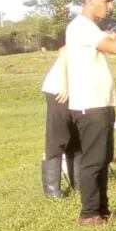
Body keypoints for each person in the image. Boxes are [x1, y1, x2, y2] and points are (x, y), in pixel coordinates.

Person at [66, 0, 116, 225]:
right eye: (106, 0)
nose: (110, 5)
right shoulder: (81, 27)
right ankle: (88, 214)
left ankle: (102, 211)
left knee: (103, 159)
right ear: (90, 0)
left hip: (101, 103)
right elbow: (115, 47)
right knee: (93, 161)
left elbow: (112, 39)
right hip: (90, 104)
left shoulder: (90, 28)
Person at [40, 38, 80, 199]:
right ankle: (52, 190)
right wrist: (65, 84)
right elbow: (63, 52)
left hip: (75, 91)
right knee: (58, 137)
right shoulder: (90, 35)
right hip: (59, 90)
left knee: (77, 137)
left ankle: (78, 183)